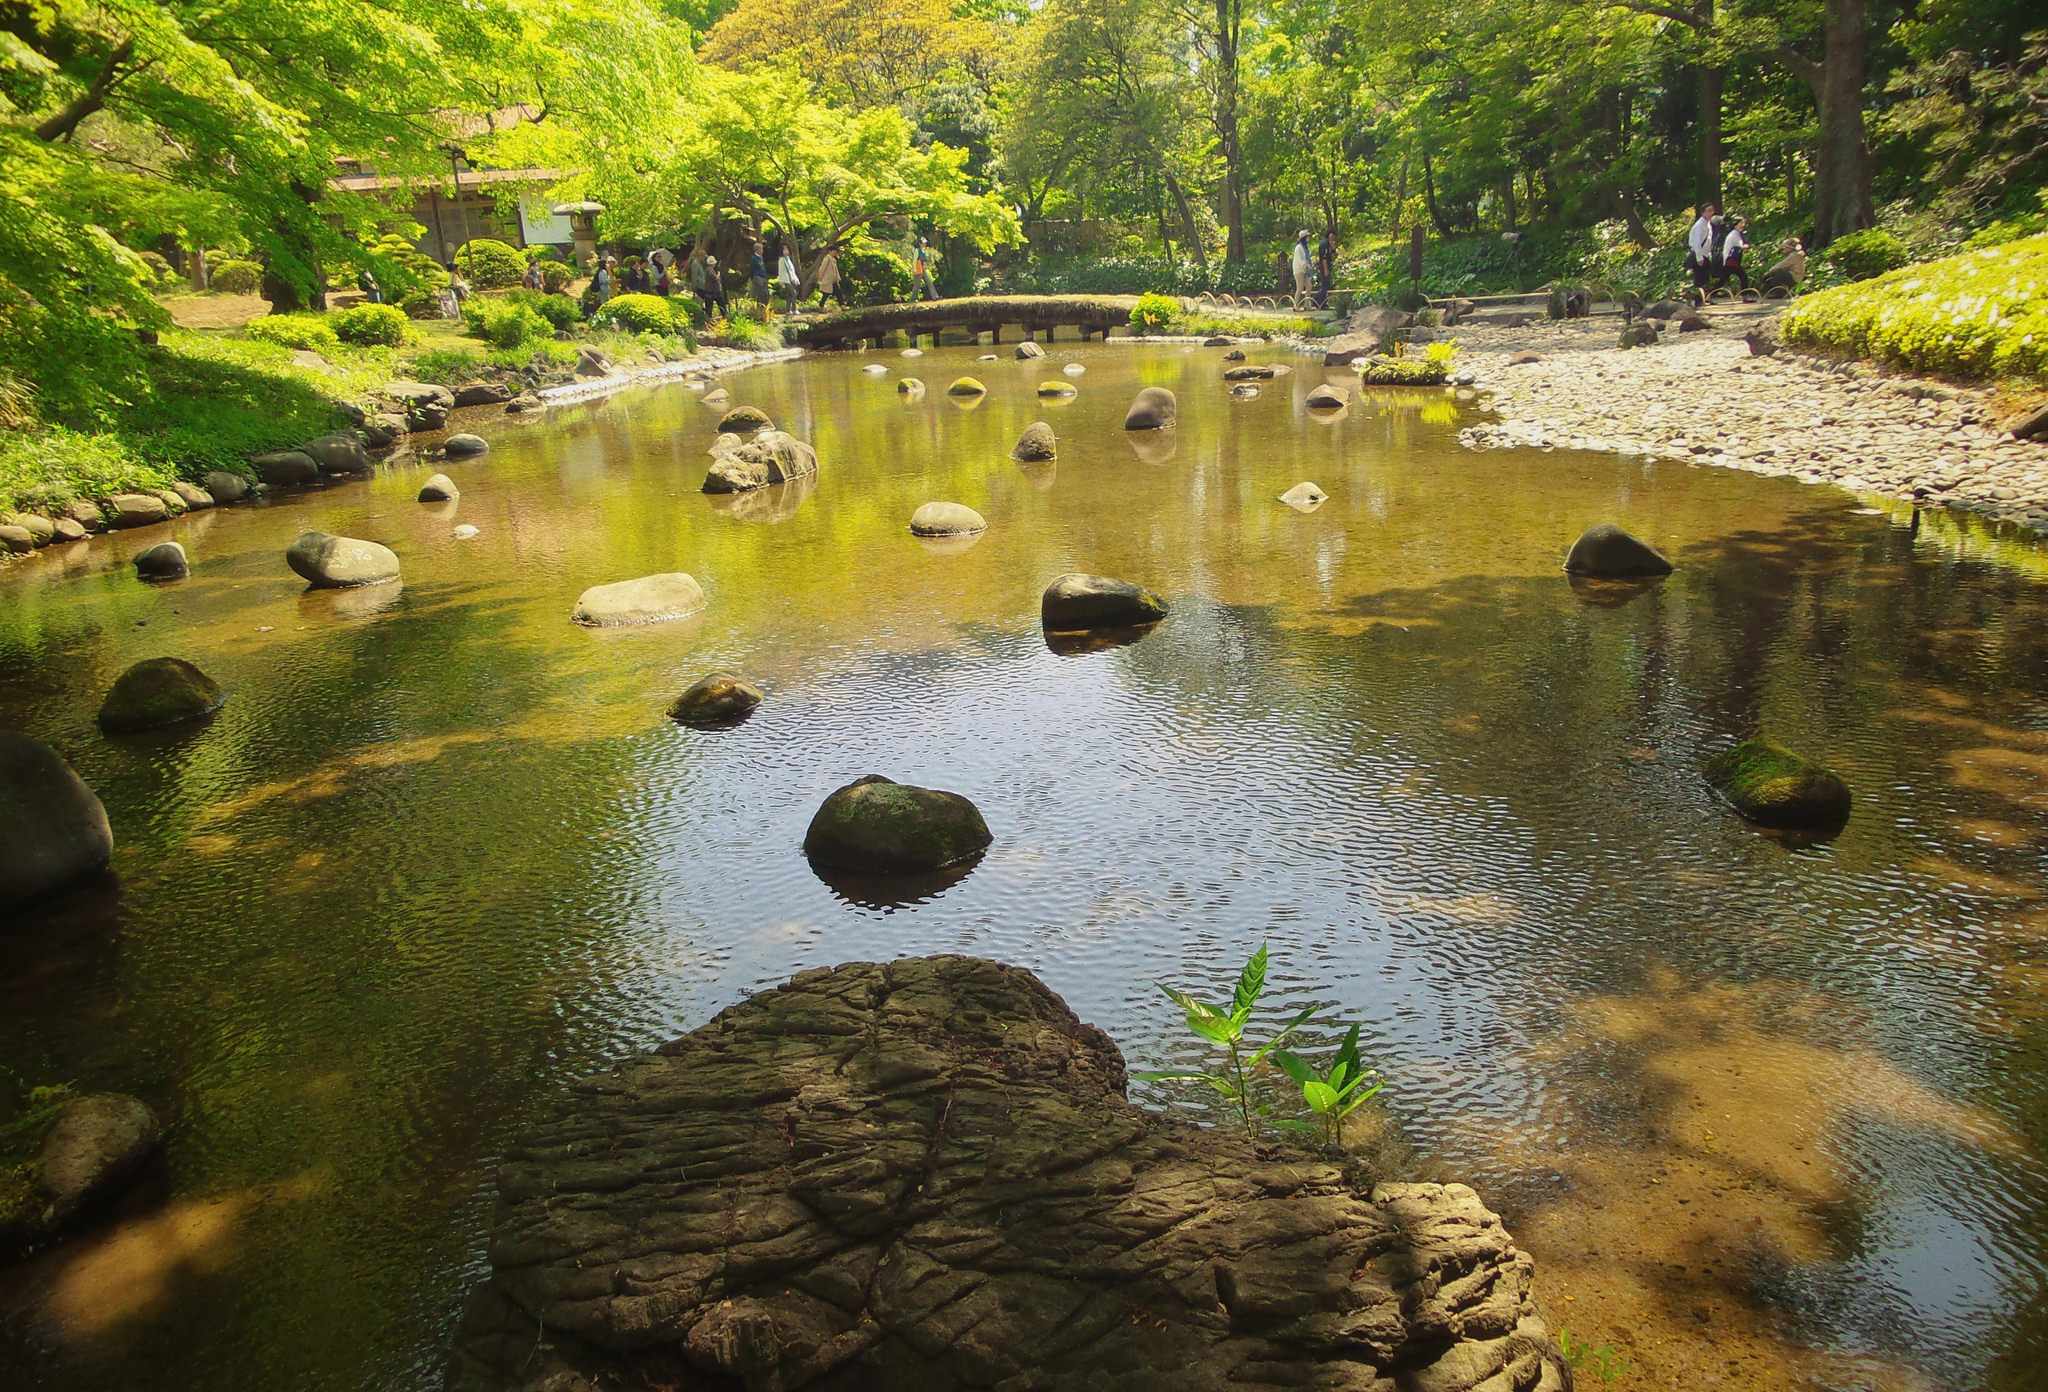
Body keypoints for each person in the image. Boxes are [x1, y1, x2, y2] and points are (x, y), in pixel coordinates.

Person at [1687, 203, 1717, 298]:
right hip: (1699, 255)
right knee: (1699, 278)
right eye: (1709, 210)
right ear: (1703, 212)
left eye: (1712, 210)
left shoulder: (1708, 224)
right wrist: (1699, 258)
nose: (1711, 213)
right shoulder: (1700, 225)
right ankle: (1699, 299)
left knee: (1706, 277)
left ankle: (1706, 298)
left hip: (1706, 254)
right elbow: (1697, 243)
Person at [1714, 215, 1750, 294]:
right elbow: (1740, 246)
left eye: (1743, 223)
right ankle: (1745, 296)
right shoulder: (1733, 235)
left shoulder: (1737, 234)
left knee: (1723, 280)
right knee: (1743, 277)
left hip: (1732, 261)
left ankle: (1710, 295)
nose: (1743, 225)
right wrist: (1745, 246)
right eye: (1741, 223)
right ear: (1736, 224)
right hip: (1731, 261)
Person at [910, 236, 938, 301]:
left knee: (929, 283)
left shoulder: (923, 251)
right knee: (916, 285)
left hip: (923, 269)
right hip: (918, 269)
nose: (925, 244)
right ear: (920, 243)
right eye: (923, 243)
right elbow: (914, 261)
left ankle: (935, 296)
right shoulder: (917, 250)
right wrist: (915, 270)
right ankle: (913, 299)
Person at [1316, 230, 1337, 310]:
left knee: (1326, 285)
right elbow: (1324, 257)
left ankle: (1322, 302)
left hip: (1327, 265)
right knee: (1325, 285)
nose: (1333, 237)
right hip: (1324, 265)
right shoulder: (1324, 244)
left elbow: (1333, 250)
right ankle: (1318, 299)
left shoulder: (1328, 243)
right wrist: (1326, 269)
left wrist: (1332, 242)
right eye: (1332, 235)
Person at [776, 244, 801, 313]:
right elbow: (780, 271)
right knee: (793, 293)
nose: (786, 252)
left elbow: (792, 270)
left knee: (790, 295)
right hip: (786, 279)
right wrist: (781, 281)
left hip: (791, 279)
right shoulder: (781, 260)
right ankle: (794, 309)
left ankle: (787, 310)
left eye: (787, 250)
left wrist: (796, 279)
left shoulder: (788, 259)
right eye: (784, 250)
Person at [1290, 230, 1313, 303]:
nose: (1309, 238)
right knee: (1300, 288)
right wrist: (1306, 264)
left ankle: (1307, 305)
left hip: (1305, 270)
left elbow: (1307, 255)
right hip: (1299, 270)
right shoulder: (1299, 247)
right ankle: (1295, 305)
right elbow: (1299, 259)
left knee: (1309, 286)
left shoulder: (1305, 247)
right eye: (1308, 237)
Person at [749, 240, 770, 307]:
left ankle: (766, 307)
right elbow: (752, 269)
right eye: (761, 249)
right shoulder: (754, 258)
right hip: (758, 277)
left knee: (766, 293)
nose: (762, 251)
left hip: (763, 277)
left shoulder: (761, 258)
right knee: (760, 294)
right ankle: (760, 308)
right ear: (757, 250)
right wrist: (753, 278)